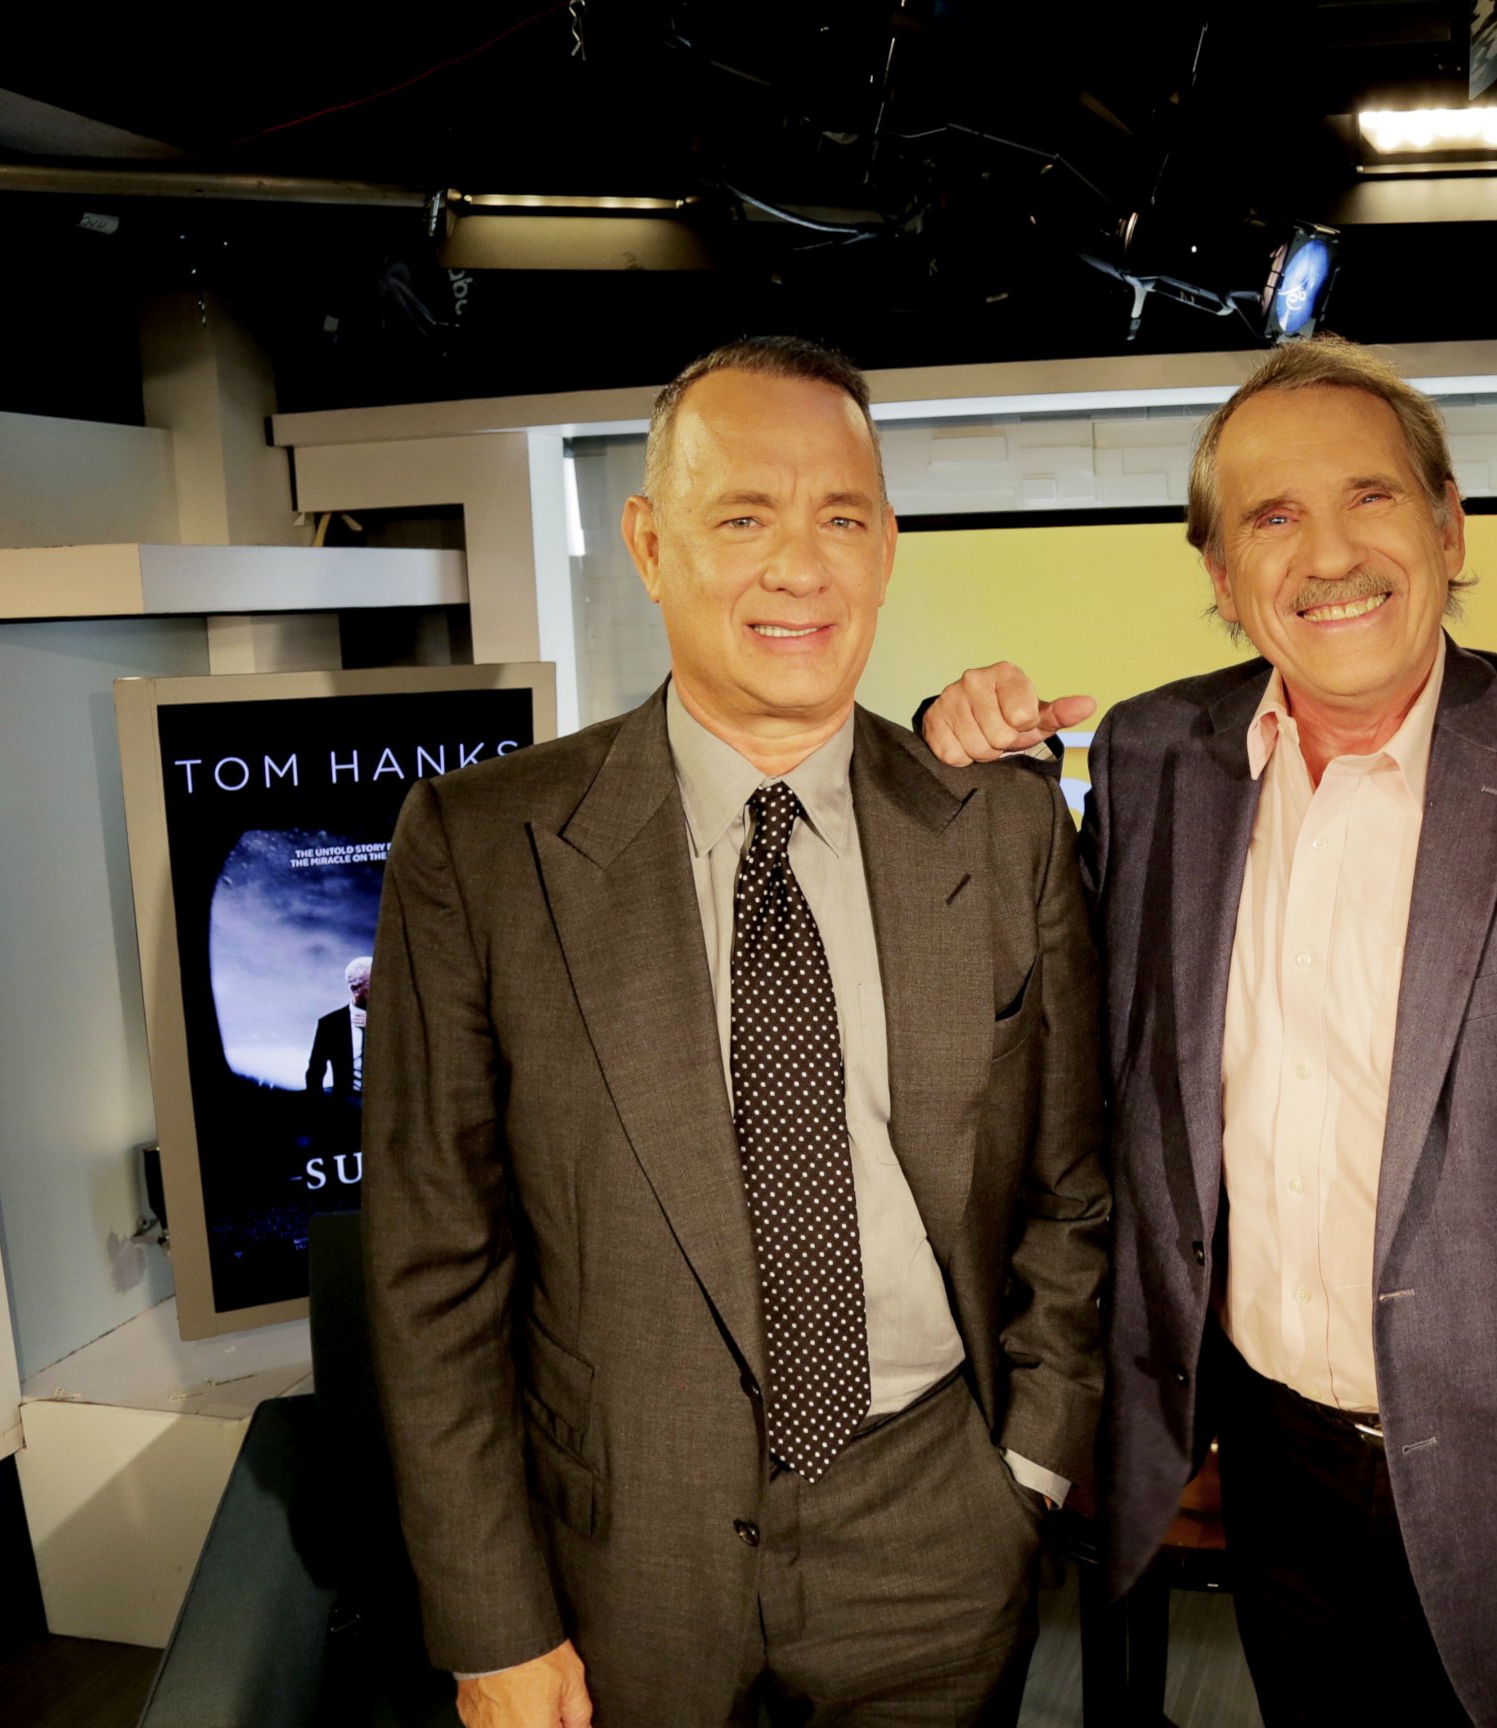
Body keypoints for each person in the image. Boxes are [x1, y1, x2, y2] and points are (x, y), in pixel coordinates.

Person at [922, 335, 1497, 1728]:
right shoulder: (1156, 758)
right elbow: (1068, 1035)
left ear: (1450, 526)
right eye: (1272, 517)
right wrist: (961, 750)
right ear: (1222, 578)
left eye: (1371, 498)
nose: (1328, 554)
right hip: (1276, 1472)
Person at [365, 336, 1109, 1728]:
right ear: (650, 544)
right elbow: (432, 1271)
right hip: (614, 1552)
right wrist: (490, 1621)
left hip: (936, 1528)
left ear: (886, 546)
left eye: (838, 517)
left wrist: (1030, 1469)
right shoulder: (480, 849)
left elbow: (1072, 1192)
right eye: (742, 517)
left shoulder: (1003, 829)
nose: (797, 565)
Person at [303, 954, 369, 1099]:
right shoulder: (330, 1024)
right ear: (356, 989)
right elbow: (315, 1071)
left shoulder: (396, 1022)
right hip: (346, 1105)